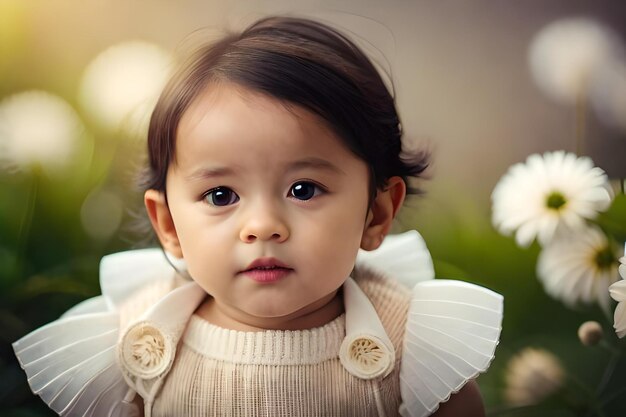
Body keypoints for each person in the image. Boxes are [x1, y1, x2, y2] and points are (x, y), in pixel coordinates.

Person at [13, 15, 503, 417]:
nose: (263, 225)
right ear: (169, 226)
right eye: (222, 195)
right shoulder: (137, 341)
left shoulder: (409, 344)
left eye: (303, 189)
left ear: (376, 213)